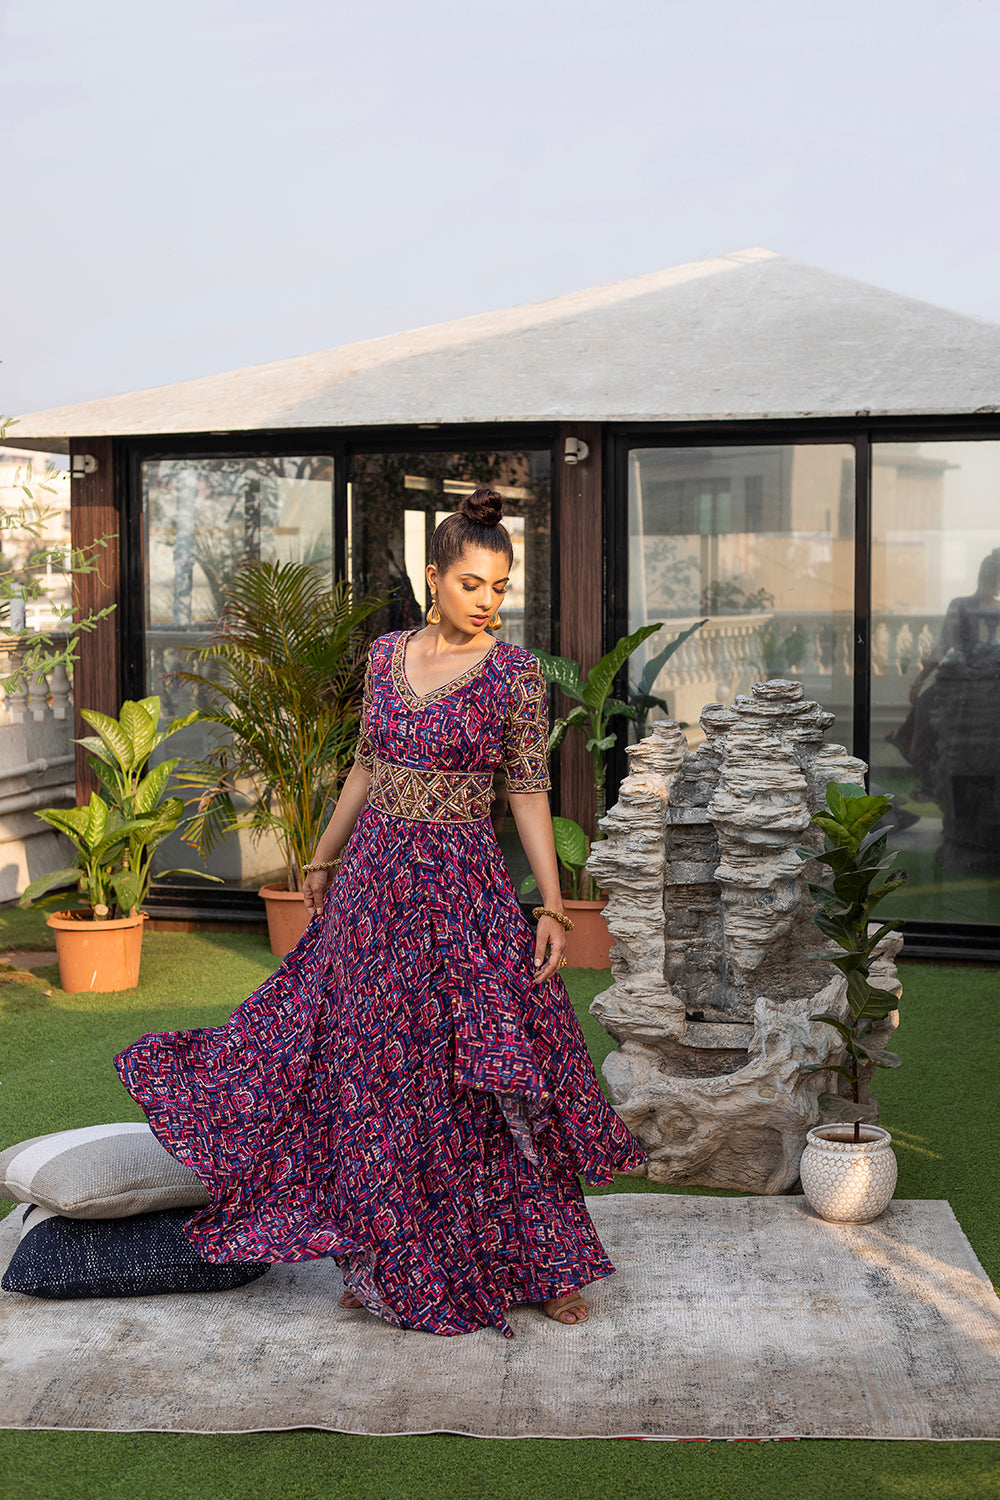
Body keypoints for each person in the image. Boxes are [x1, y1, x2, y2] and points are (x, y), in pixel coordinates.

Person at [115, 487, 646, 1339]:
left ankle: (546, 1263)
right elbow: (364, 767)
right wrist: (321, 857)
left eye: (501, 587)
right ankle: (391, 1251)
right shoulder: (385, 657)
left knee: (491, 1067)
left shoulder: (513, 677)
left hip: (461, 890)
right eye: (473, 583)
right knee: (375, 1076)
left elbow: (529, 792)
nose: (488, 601)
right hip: (372, 888)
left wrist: (550, 903)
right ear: (432, 577)